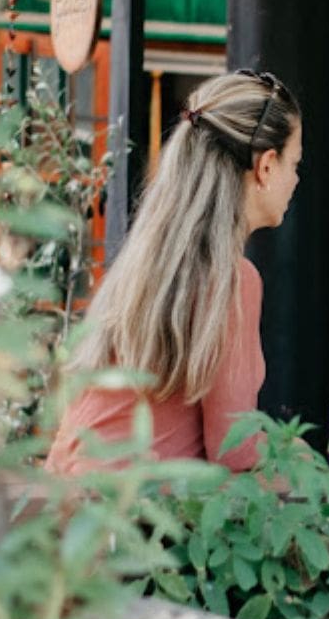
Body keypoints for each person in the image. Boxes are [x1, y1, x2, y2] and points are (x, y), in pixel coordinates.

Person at [46, 69, 302, 475]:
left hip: (71, 511)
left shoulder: (150, 264)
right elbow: (235, 450)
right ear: (266, 167)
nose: (296, 179)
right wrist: (314, 460)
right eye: (294, 163)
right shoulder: (231, 280)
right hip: (142, 521)